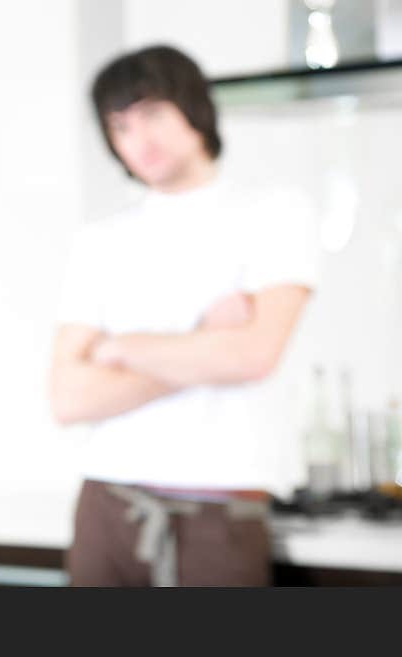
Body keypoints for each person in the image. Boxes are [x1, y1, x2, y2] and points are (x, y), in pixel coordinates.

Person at [49, 46, 318, 586]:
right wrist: (199, 342)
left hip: (218, 511)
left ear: (194, 107)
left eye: (152, 113)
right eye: (120, 125)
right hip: (105, 506)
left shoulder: (276, 213)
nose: (137, 138)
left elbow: (251, 355)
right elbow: (68, 397)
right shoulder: (99, 241)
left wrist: (119, 348)